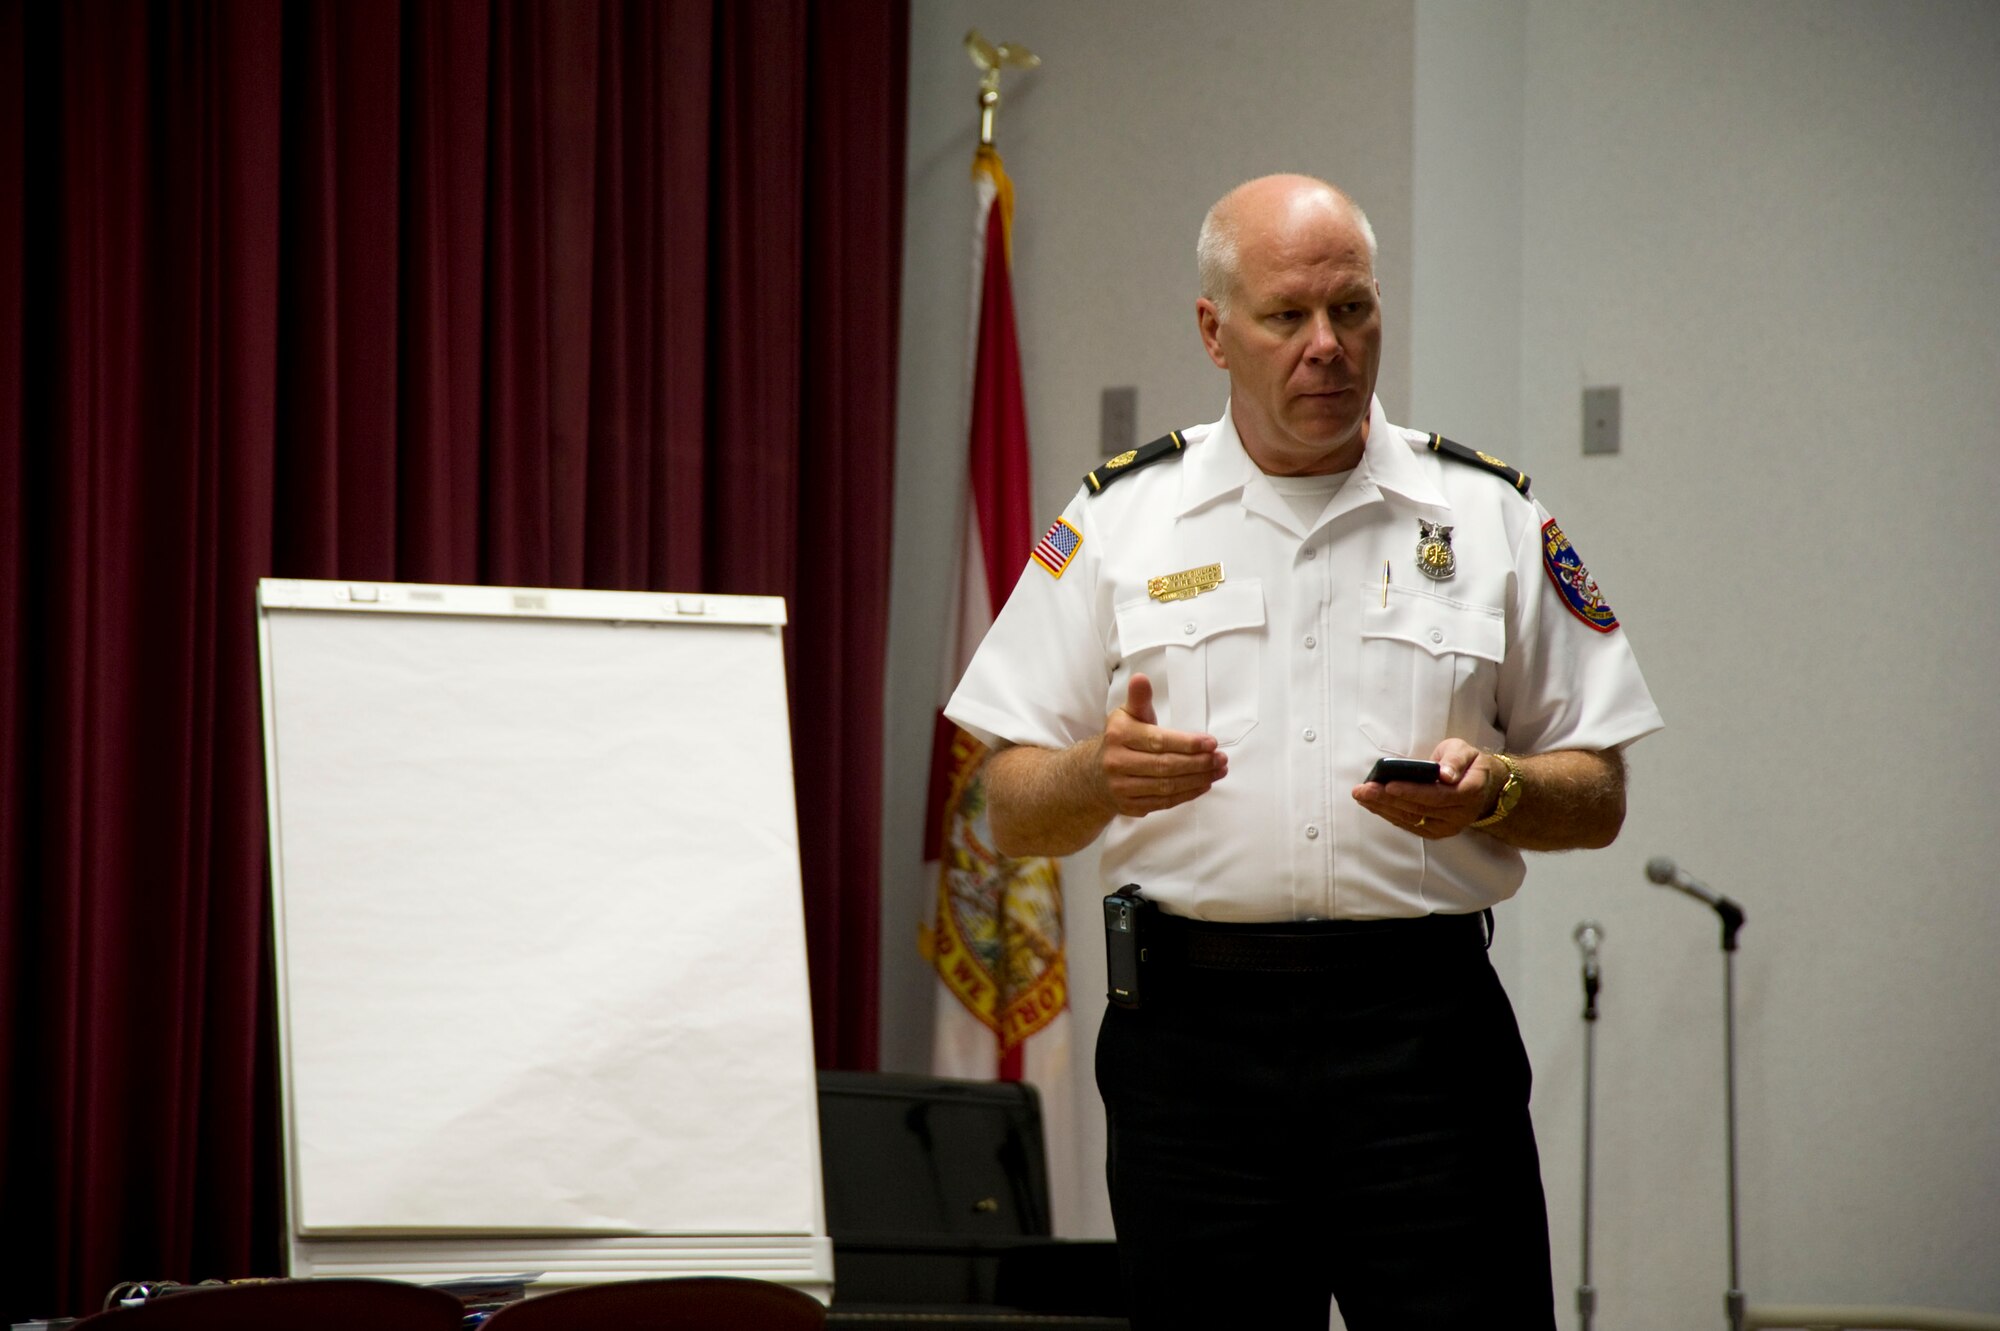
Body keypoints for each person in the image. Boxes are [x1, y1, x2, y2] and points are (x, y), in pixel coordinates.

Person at [943, 174, 1663, 1329]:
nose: (1326, 347)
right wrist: (1096, 773)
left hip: (1422, 1037)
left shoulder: (1484, 517)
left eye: (1354, 311)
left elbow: (1598, 792)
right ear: (1211, 329)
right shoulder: (1121, 521)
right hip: (1191, 1044)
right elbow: (1004, 806)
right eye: (1287, 316)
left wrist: (1500, 791)